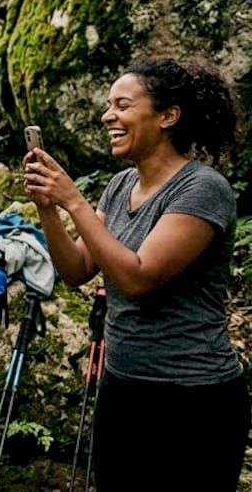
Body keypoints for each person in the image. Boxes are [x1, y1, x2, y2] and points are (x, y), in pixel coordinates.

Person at [23, 57, 248, 492]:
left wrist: (73, 200)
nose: (109, 115)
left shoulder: (202, 189)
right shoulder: (121, 184)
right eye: (109, 105)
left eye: (122, 105)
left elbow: (137, 278)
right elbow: (76, 269)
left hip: (194, 398)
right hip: (124, 387)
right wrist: (47, 207)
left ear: (168, 116)